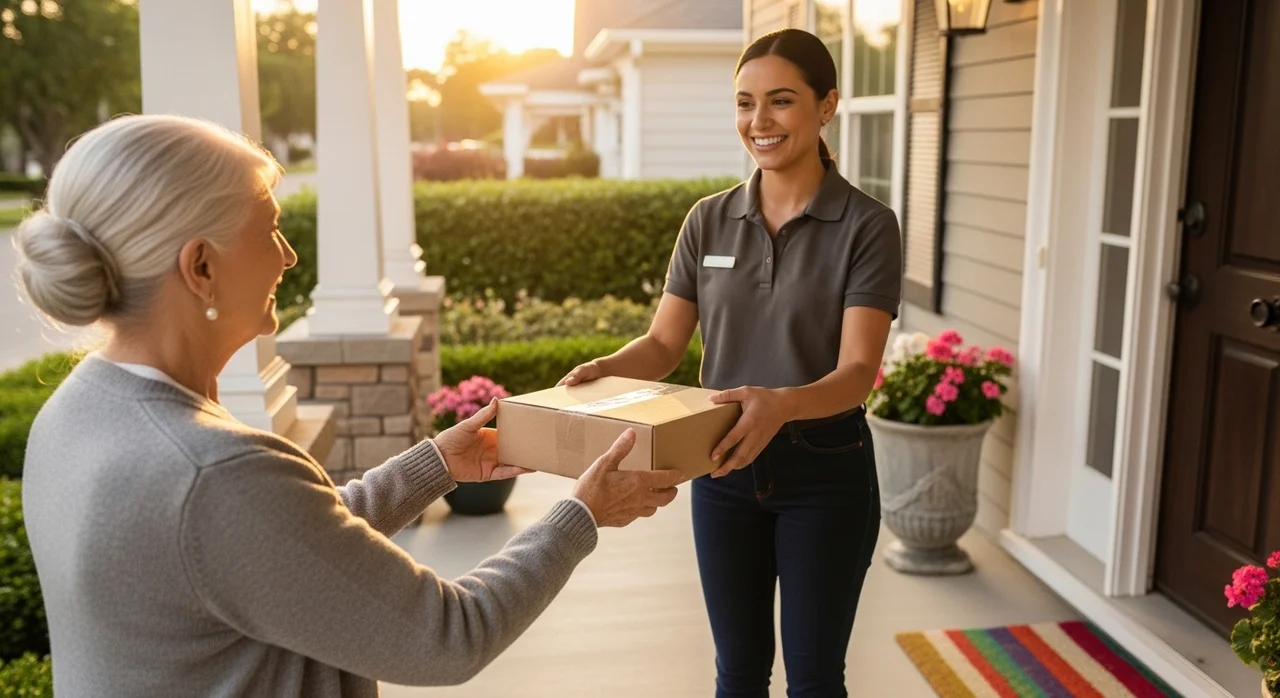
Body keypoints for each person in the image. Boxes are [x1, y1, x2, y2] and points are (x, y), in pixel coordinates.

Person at [14, 113, 687, 697]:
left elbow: (284, 556)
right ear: (201, 268)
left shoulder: (76, 411)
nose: (287, 254)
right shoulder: (211, 473)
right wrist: (584, 514)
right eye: (268, 230)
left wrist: (434, 466)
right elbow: (448, 637)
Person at [559, 28, 902, 698]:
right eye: (745, 104)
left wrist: (780, 404)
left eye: (780, 102)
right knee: (737, 672)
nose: (758, 122)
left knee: (811, 679)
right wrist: (610, 366)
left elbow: (859, 371)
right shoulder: (708, 221)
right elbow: (663, 345)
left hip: (824, 475)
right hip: (720, 471)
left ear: (827, 105)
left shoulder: (867, 225)